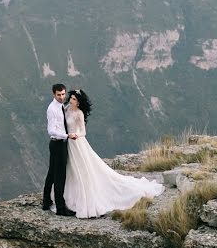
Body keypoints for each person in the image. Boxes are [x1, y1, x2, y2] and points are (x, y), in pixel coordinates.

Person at [63, 89, 163, 218]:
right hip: (68, 143)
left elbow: (83, 132)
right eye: (71, 98)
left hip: (76, 143)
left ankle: (84, 196)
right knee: (71, 169)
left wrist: (76, 135)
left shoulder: (79, 114)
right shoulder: (66, 109)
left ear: (79, 102)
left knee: (81, 169)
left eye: (74, 99)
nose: (71, 100)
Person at [42, 83, 76, 216]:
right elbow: (51, 130)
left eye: (63, 94)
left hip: (58, 144)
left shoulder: (61, 105)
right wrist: (67, 135)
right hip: (58, 143)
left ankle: (46, 201)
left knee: (51, 173)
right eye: (59, 95)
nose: (62, 97)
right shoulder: (52, 109)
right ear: (53, 94)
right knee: (59, 176)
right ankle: (61, 208)